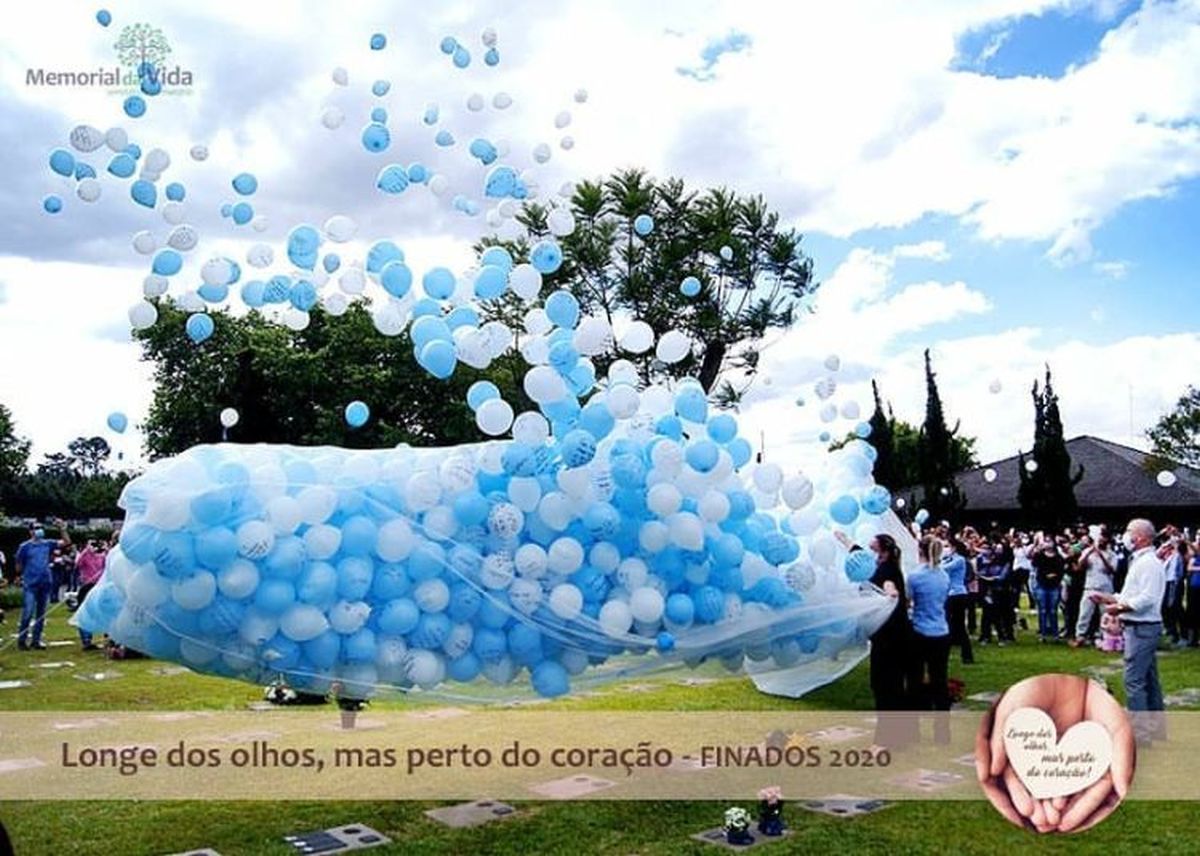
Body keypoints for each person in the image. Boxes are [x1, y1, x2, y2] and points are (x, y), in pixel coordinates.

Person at [1095, 518, 1166, 744]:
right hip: (1141, 626)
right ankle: (1155, 730)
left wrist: (1118, 608)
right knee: (1149, 679)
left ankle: (1140, 735)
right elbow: (1132, 595)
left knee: (1134, 681)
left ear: (1141, 537)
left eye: (1129, 531)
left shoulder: (1149, 564)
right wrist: (1108, 598)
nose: (1126, 536)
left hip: (1142, 627)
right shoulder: (1140, 561)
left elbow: (1147, 599)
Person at [908, 534, 951, 742]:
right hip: (941, 631)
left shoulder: (915, 576)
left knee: (915, 680)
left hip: (920, 631)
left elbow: (908, 601)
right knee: (939, 680)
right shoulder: (944, 576)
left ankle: (914, 730)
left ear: (920, 551)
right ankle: (942, 731)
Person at [14, 521, 72, 650]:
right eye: (36, 528)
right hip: (30, 583)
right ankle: (22, 640)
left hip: (45, 582)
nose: (39, 530)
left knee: (41, 614)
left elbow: (66, 542)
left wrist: (62, 529)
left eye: (41, 528)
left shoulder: (47, 544)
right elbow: (18, 564)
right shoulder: (25, 547)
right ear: (30, 531)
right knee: (28, 612)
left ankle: (36, 640)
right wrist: (21, 575)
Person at [1072, 533, 1115, 646]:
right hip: (1090, 587)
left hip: (1105, 588)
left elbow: (1111, 570)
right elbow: (1080, 566)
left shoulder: (1111, 554)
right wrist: (1088, 553)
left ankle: (1103, 636)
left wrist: (1101, 556)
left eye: (1103, 540)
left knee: (1104, 614)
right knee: (1085, 613)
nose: (1100, 542)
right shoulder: (1088, 552)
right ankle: (1080, 636)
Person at [942, 537, 973, 664]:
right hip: (950, 593)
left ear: (954, 548)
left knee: (958, 625)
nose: (946, 549)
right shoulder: (949, 558)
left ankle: (967, 655)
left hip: (957, 594)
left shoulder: (959, 560)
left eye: (947, 546)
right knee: (950, 624)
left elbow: (945, 568)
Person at [74, 539, 108, 650]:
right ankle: (86, 640)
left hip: (98, 586)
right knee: (85, 612)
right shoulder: (85, 556)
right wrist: (86, 551)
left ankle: (108, 638)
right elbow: (77, 564)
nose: (94, 547)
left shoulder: (101, 556)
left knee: (104, 611)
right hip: (86, 585)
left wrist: (106, 549)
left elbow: (108, 565)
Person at [1031, 537, 1065, 642]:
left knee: (1053, 610)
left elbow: (1061, 571)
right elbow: (1034, 564)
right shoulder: (1040, 556)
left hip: (1054, 586)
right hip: (1042, 585)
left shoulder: (1058, 557)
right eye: (1046, 541)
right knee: (1043, 610)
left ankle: (1055, 634)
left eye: (1049, 541)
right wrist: (1037, 550)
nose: (1047, 544)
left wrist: (1055, 576)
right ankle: (1043, 634)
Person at [1186, 538, 1200, 648]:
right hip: (1193, 587)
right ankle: (1193, 640)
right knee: (1192, 613)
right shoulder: (1195, 557)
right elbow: (1189, 568)